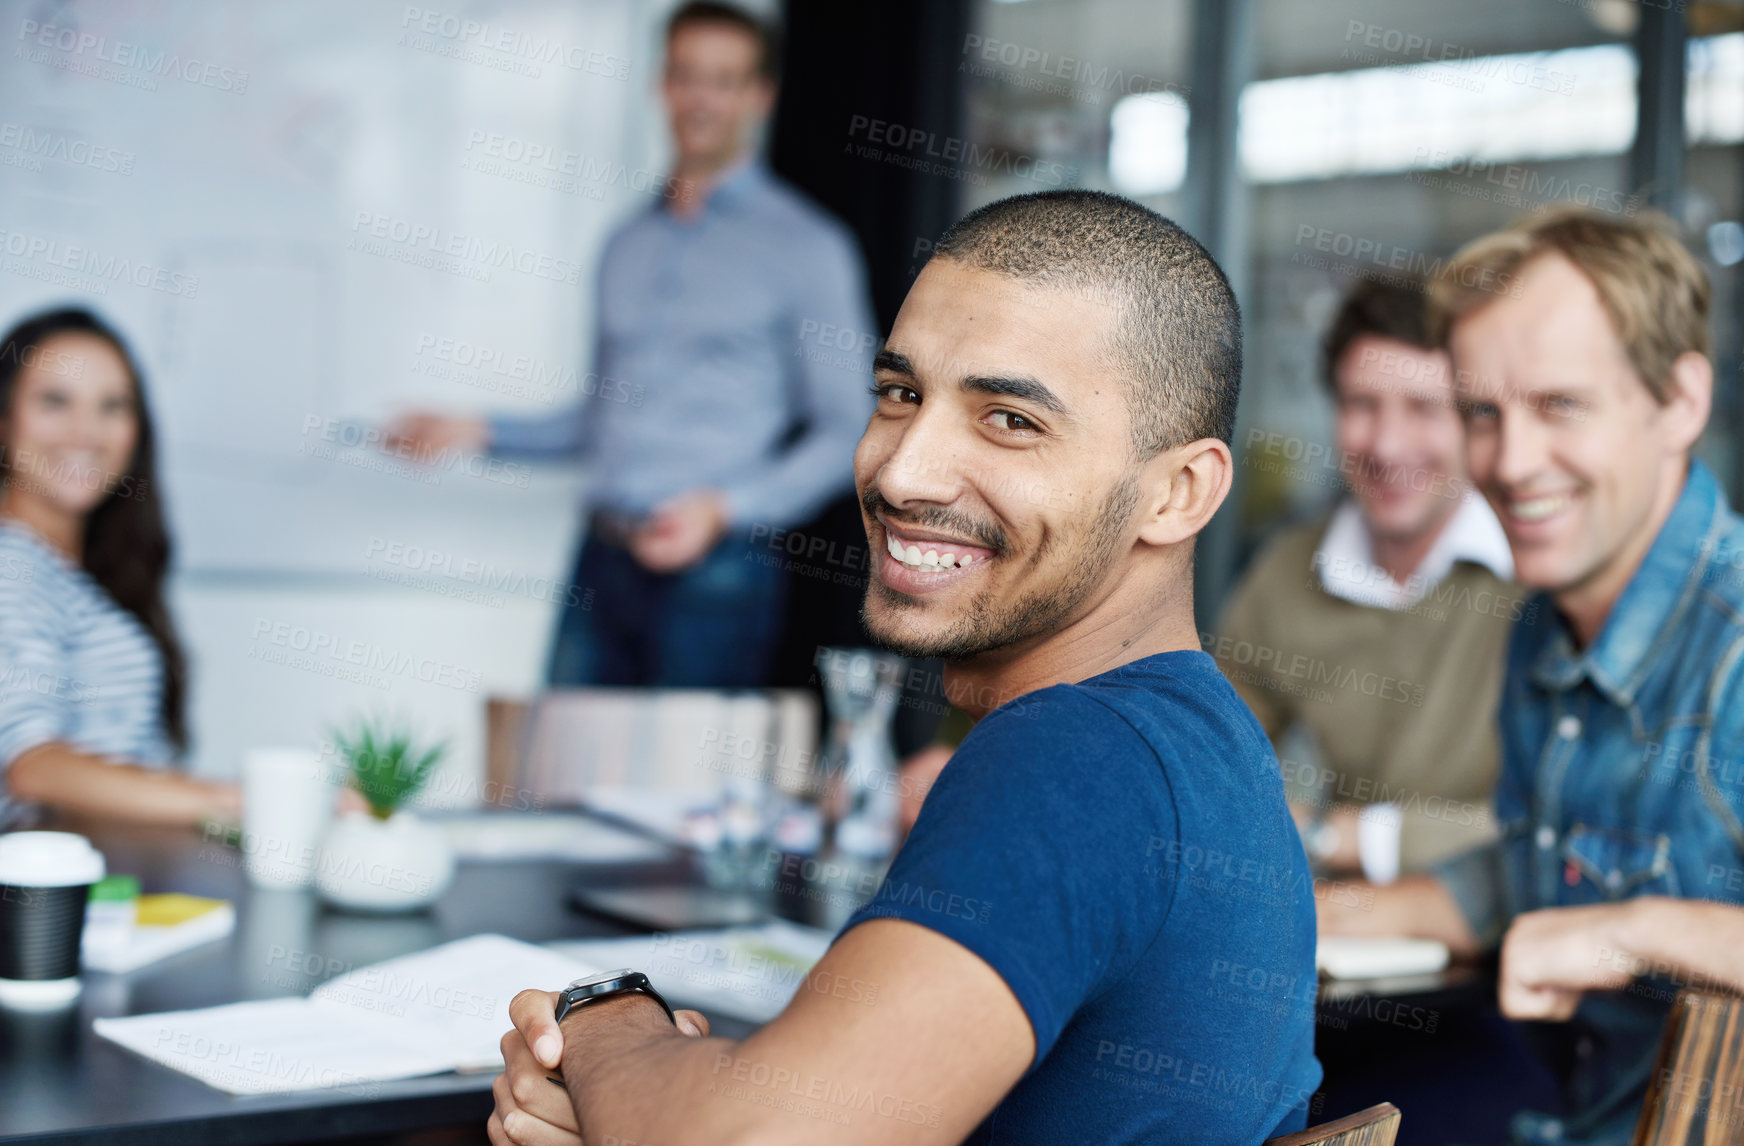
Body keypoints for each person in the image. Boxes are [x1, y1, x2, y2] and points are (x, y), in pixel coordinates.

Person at [485, 192, 1321, 1146]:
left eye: (1008, 419)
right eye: (900, 394)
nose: (900, 473)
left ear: (1177, 493)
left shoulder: (1074, 757)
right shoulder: (1194, 739)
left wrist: (604, 1022)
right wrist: (655, 1099)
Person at [1319, 207, 1741, 1146]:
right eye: (1482, 413)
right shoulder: (1541, 628)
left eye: (1560, 405)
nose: (1508, 463)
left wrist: (1632, 933)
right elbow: (1538, 870)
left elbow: (1598, 913)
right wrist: (1307, 915)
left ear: (1680, 401)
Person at [388, 1, 875, 688]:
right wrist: (472, 429)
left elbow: (846, 429)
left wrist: (722, 508)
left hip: (719, 573)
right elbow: (602, 415)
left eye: (724, 79)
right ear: (662, 85)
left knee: (686, 793)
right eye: (686, 75)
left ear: (759, 96)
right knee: (554, 777)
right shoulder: (626, 242)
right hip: (602, 559)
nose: (701, 99)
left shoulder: (808, 247)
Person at [1216, 276, 1518, 876]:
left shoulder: (1538, 571)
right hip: (1356, 933)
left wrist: (1347, 837)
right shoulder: (1288, 569)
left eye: (1423, 408)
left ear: (1474, 422)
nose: (1387, 443)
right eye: (1362, 405)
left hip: (1513, 933)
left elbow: (1569, 832)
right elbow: (1211, 756)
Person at [0, 307, 240, 829]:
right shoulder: (10, 565)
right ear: (4, 419)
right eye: (54, 401)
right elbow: (31, 766)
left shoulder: (79, 571)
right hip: (51, 899)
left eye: (113, 406)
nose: (86, 431)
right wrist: (243, 803)